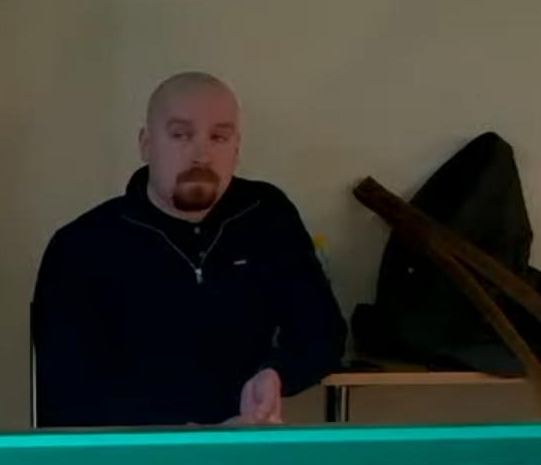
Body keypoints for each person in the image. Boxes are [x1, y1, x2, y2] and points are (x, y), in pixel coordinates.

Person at [31, 71, 345, 428]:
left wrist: (276, 375)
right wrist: (185, 436)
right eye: (180, 135)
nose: (201, 155)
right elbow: (67, 389)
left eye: (219, 137)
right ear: (146, 144)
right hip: (132, 453)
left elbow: (323, 334)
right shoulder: (82, 246)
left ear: (236, 148)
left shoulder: (267, 216)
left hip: (243, 443)